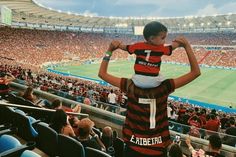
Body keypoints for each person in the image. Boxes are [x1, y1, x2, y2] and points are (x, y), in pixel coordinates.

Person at [98, 36, 201, 157]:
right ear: (157, 67)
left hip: (132, 146)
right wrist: (187, 46)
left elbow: (102, 73)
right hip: (157, 148)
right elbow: (196, 72)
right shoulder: (164, 87)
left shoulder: (129, 85)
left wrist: (110, 50)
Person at [118, 21, 180, 88]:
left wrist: (118, 45)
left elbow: (126, 48)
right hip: (154, 81)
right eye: (163, 38)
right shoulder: (161, 49)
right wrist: (178, 43)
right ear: (152, 38)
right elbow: (172, 47)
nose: (164, 41)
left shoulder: (137, 46)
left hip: (137, 80)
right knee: (165, 80)